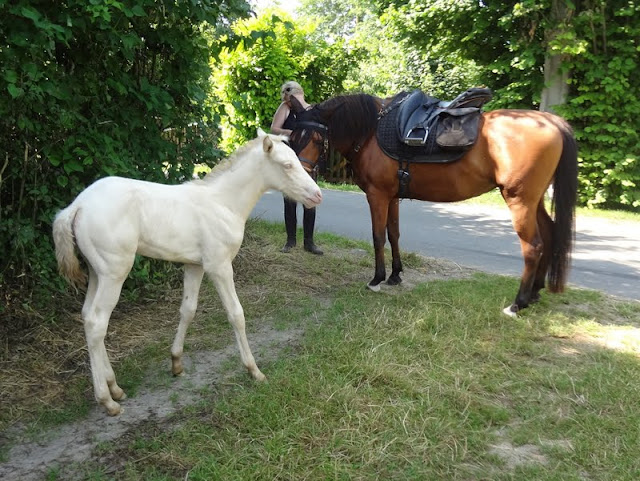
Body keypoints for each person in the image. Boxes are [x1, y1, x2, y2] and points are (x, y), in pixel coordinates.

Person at [270, 81, 323, 255]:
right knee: (290, 199)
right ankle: (290, 241)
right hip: (290, 160)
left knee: (310, 199)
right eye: (286, 99)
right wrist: (291, 133)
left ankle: (309, 242)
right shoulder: (286, 108)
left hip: (309, 162)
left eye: (290, 98)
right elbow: (274, 128)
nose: (288, 101)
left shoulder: (313, 111)